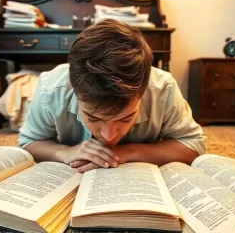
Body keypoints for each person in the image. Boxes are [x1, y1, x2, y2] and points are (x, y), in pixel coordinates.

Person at [18, 19, 206, 172]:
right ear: (75, 91)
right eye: (93, 118)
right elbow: (28, 142)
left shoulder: (163, 88)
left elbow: (194, 145)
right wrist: (64, 153)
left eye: (126, 118)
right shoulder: (50, 88)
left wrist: (126, 152)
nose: (109, 137)